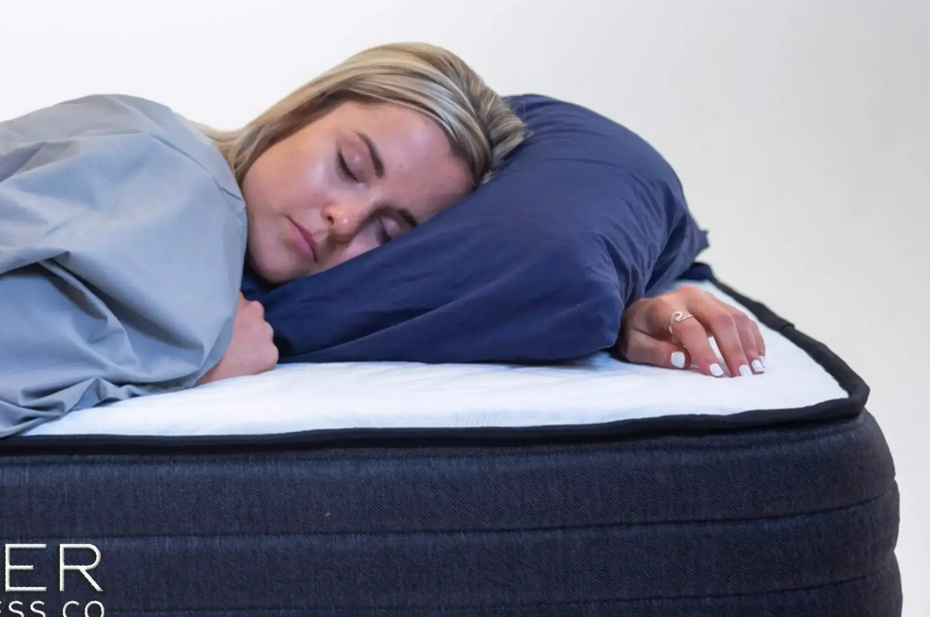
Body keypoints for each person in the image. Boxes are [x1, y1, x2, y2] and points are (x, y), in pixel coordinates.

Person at [187, 43, 766, 384]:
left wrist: (620, 310)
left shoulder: (307, 301)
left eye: (389, 232)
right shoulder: (157, 173)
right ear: (303, 111)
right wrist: (185, 361)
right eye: (350, 165)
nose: (344, 219)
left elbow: (537, 259)